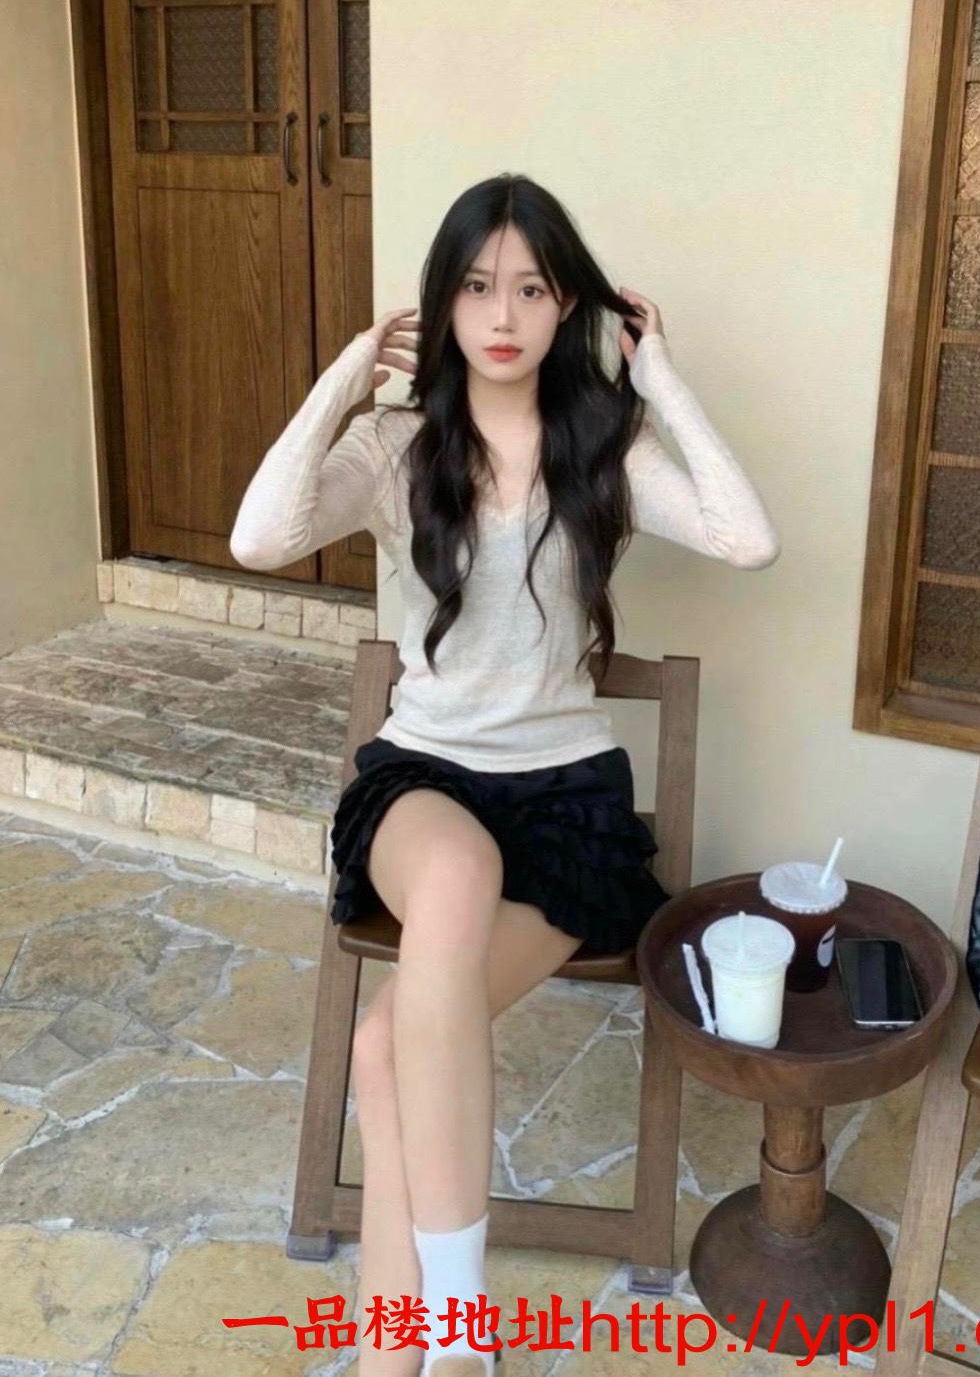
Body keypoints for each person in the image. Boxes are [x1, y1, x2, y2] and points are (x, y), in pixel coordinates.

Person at [230, 172, 780, 1377]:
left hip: (568, 805)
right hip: (423, 784)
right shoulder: (396, 447)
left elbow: (748, 540)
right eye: (478, 286)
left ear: (567, 304)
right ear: (443, 301)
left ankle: (398, 1358)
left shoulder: (604, 447)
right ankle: (461, 1327)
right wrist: (342, 378)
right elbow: (259, 538)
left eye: (531, 289)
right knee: (457, 872)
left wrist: (661, 382)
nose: (503, 314)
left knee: (388, 1050)